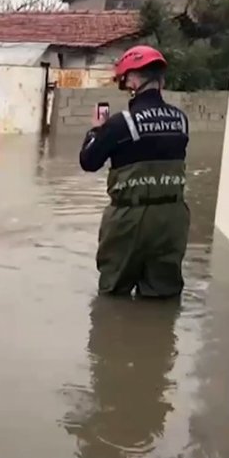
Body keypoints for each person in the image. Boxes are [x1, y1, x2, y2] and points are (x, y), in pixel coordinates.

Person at [79, 45, 190, 298]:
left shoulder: (121, 123)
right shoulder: (181, 120)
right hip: (172, 219)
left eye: (125, 79)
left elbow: (88, 162)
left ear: (133, 80)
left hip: (129, 219)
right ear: (161, 80)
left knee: (113, 293)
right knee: (163, 295)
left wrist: (96, 130)